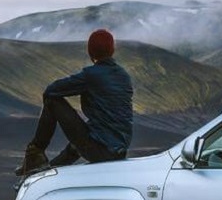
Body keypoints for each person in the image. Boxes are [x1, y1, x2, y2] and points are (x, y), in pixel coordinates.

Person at [15, 29, 134, 176]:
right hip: (118, 151)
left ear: (91, 52)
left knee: (52, 101)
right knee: (82, 140)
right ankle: (48, 173)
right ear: (112, 50)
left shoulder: (92, 75)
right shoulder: (124, 76)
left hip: (101, 150)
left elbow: (51, 90)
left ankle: (35, 153)